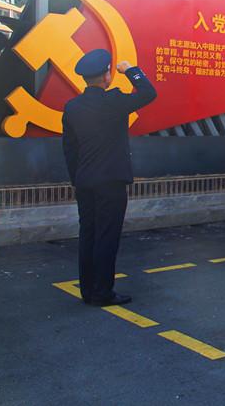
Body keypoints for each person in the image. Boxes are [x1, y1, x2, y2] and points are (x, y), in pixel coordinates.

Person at [62, 49, 157, 306]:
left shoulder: (72, 107)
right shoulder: (114, 101)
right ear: (106, 76)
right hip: (111, 181)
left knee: (88, 234)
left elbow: (70, 149)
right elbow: (149, 93)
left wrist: (77, 178)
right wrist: (130, 71)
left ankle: (88, 290)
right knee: (107, 236)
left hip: (84, 181)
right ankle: (103, 292)